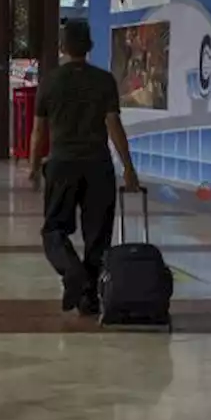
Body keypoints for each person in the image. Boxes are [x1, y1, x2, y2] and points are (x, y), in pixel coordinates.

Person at [28, 21, 141, 316]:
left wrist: (31, 167)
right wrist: (128, 167)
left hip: (61, 164)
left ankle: (72, 271)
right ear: (89, 46)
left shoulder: (50, 82)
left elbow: (38, 131)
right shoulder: (104, 81)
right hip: (97, 165)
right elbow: (113, 124)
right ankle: (89, 295)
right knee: (98, 234)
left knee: (53, 229)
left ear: (63, 47)